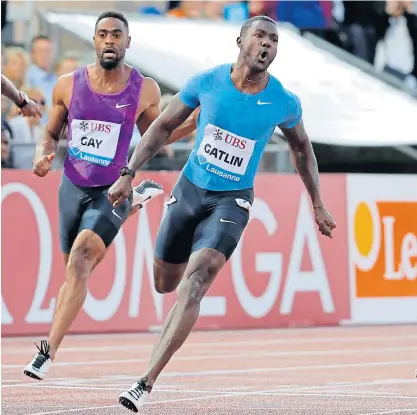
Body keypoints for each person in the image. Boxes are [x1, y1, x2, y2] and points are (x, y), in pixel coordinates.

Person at [108, 15, 336, 412]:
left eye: (274, 40)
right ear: (240, 41)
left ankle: (144, 381)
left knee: (196, 282)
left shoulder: (283, 101)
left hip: (232, 200)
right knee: (166, 283)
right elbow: (162, 127)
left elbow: (302, 149)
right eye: (260, 37)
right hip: (191, 190)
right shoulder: (207, 82)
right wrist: (128, 173)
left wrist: (317, 202)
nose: (267, 45)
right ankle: (148, 201)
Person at [22, 11, 197, 381]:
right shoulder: (68, 84)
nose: (110, 40)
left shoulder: (144, 88)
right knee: (73, 272)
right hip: (72, 186)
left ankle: (46, 353)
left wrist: (194, 124)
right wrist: (42, 154)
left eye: (117, 34)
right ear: (95, 41)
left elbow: (157, 137)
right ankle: (134, 205)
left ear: (127, 42)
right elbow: (50, 133)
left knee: (83, 258)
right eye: (103, 34)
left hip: (112, 186)